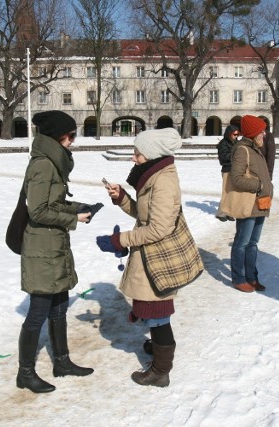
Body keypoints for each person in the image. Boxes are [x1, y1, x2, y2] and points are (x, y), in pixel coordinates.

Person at [16, 110, 98, 393]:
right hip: (42, 249)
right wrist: (73, 219)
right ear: (57, 136)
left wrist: (79, 208)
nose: (73, 141)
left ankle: (62, 362)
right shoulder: (43, 165)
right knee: (38, 312)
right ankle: (25, 374)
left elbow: (53, 203)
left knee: (59, 307)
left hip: (54, 245)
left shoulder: (54, 163)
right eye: (71, 135)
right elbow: (37, 211)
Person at [95, 127, 183, 388]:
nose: (134, 159)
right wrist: (122, 198)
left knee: (158, 315)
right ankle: (158, 349)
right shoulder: (153, 177)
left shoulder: (164, 182)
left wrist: (119, 240)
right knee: (155, 313)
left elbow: (159, 229)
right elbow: (145, 216)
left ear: (153, 155)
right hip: (150, 255)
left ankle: (160, 371)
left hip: (158, 260)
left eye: (138, 154)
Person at [230, 115, 274, 293]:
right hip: (248, 204)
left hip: (261, 204)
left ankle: (252, 276)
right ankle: (239, 278)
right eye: (261, 131)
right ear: (253, 133)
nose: (264, 134)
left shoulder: (256, 149)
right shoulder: (242, 149)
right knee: (242, 242)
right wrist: (261, 185)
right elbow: (237, 178)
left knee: (253, 243)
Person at [216, 124, 241, 221]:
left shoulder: (236, 142)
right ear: (229, 134)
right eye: (234, 134)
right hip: (227, 169)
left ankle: (229, 211)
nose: (236, 136)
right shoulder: (223, 143)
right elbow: (224, 157)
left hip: (235, 169)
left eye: (237, 135)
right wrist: (236, 155)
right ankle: (221, 213)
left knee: (233, 192)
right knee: (226, 192)